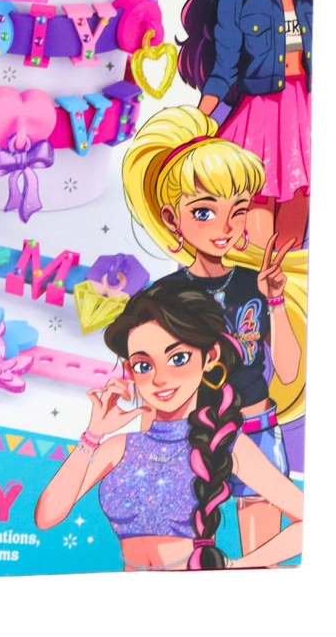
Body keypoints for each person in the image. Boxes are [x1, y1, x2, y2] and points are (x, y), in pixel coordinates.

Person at [121, 104, 305, 556]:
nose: (225, 227)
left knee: (263, 557)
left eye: (238, 211)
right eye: (204, 212)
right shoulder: (162, 297)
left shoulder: (257, 284)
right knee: (183, 554)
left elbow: (287, 371)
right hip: (189, 436)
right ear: (172, 219)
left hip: (257, 428)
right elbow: (148, 382)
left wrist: (276, 301)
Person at [34, 284, 303, 569]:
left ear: (210, 357)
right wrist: (93, 434)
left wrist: (237, 566)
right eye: (143, 365)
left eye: (178, 359)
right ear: (130, 371)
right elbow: (46, 517)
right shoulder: (120, 447)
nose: (159, 379)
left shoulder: (224, 443)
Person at [178, 0, 315, 249]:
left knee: (293, 235)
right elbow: (223, 71)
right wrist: (197, 122)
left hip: (305, 115)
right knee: (255, 226)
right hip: (261, 115)